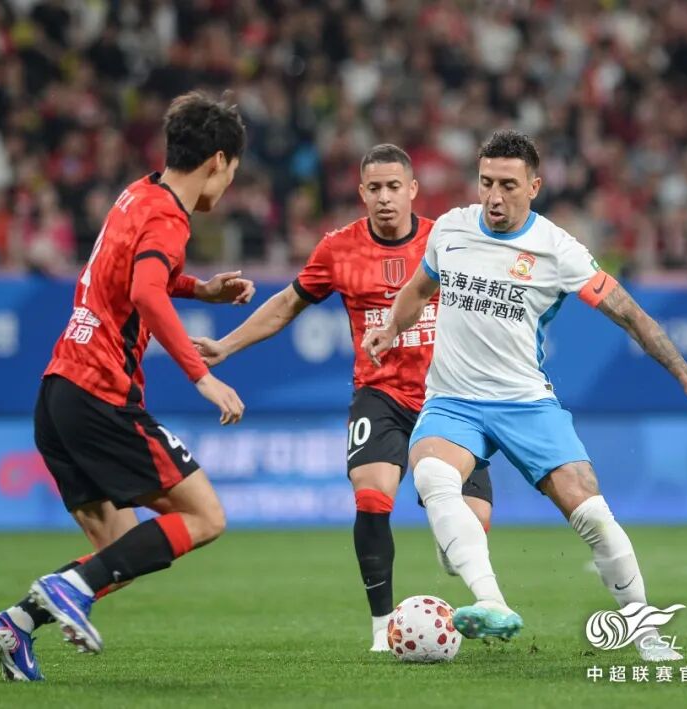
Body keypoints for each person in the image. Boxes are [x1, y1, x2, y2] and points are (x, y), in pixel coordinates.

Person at [362, 130, 687, 662]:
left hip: (525, 403)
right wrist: (391, 328)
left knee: (593, 514)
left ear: (534, 187)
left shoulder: (558, 251)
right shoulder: (450, 229)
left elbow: (631, 316)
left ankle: (647, 636)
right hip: (454, 400)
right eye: (486, 182)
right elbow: (418, 291)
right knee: (432, 475)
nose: (493, 197)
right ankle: (491, 602)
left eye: (508, 185)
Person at [0, 91, 254, 681]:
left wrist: (200, 290)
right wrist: (202, 375)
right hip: (101, 393)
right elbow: (145, 292)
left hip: (59, 393)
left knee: (119, 554)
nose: (229, 183)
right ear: (218, 160)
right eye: (232, 170)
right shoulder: (169, 217)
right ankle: (67, 590)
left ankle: (16, 624)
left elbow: (139, 274)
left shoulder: (139, 193)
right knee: (206, 517)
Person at [192, 144, 494, 652]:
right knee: (372, 497)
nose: (384, 198)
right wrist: (225, 345)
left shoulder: (446, 239)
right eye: (374, 188)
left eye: (393, 187)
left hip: (449, 399)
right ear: (361, 193)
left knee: (473, 527)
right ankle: (382, 629)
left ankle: (454, 543)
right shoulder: (338, 248)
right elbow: (286, 304)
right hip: (380, 395)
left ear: (413, 190)